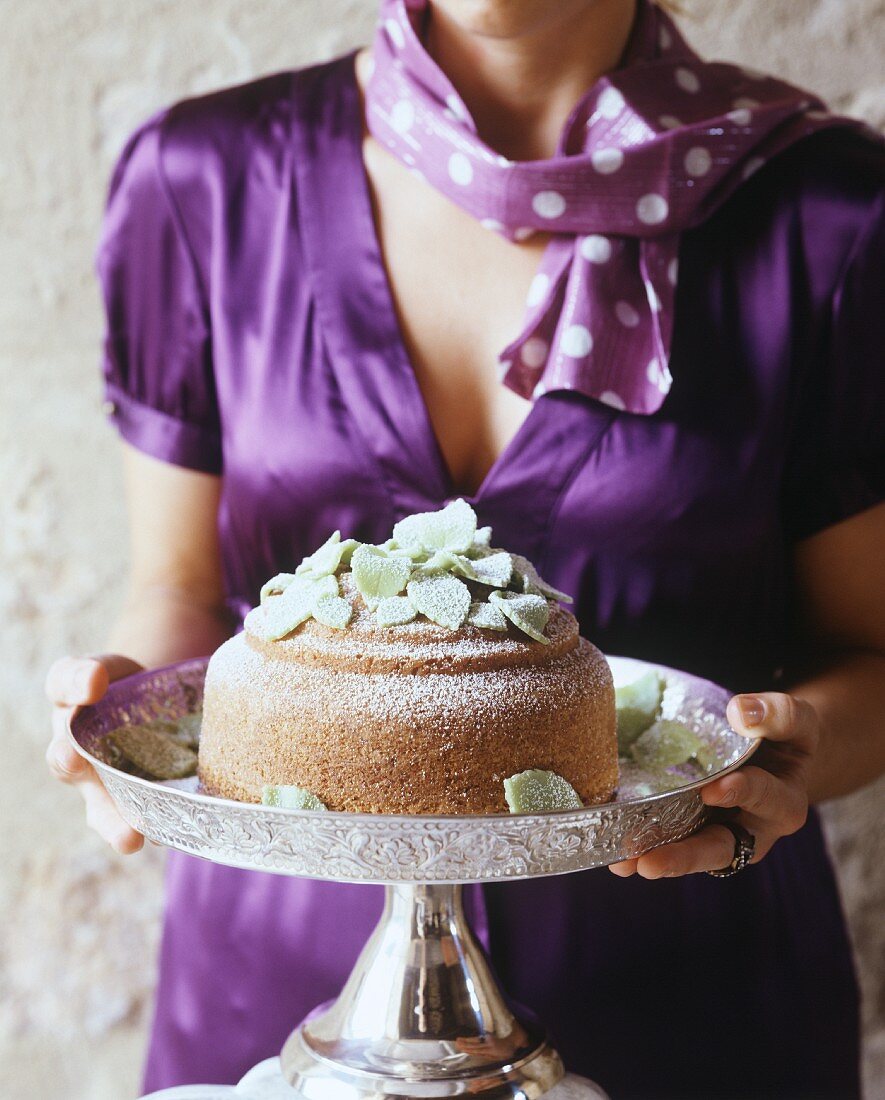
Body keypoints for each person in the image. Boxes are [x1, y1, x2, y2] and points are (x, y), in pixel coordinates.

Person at [45, 0, 885, 1096]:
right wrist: (129, 701)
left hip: (686, 999)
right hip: (284, 1008)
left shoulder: (831, 212)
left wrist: (790, 753)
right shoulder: (203, 177)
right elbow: (177, 585)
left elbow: (870, 652)